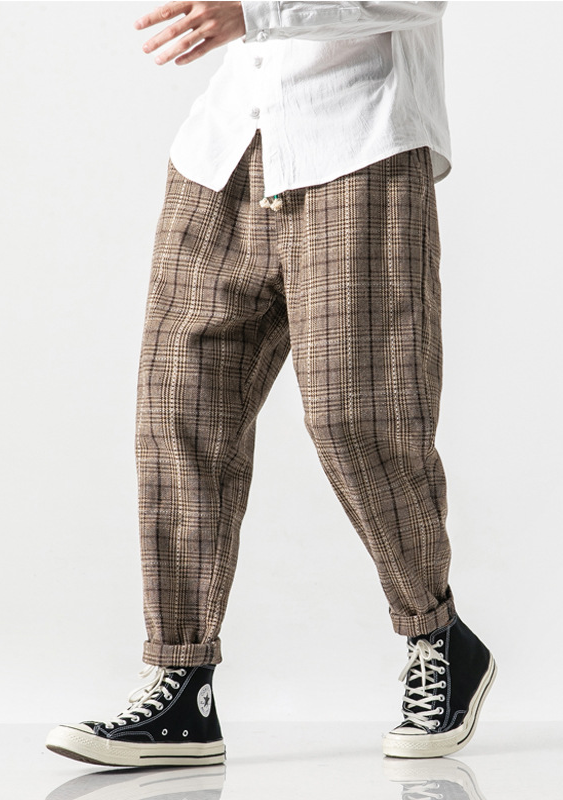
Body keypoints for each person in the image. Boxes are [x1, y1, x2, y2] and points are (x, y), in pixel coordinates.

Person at [46, 0, 496, 767]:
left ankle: (438, 636)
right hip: (222, 150)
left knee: (357, 416)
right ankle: (182, 685)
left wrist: (256, 12)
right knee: (177, 412)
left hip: (357, 146)